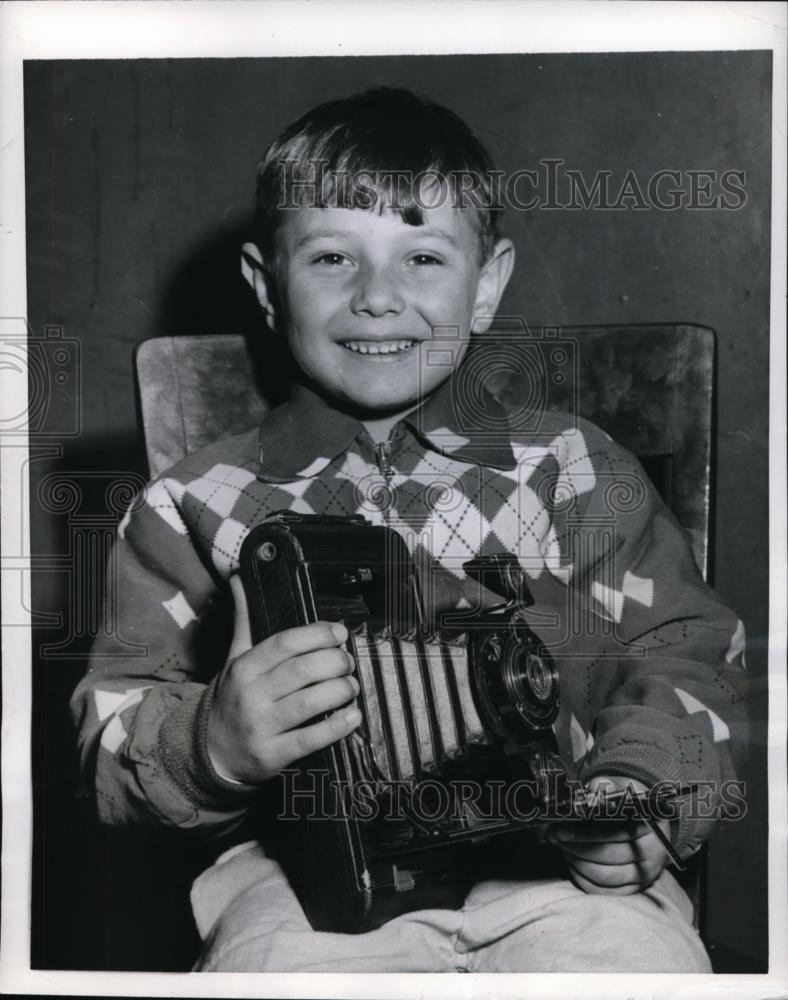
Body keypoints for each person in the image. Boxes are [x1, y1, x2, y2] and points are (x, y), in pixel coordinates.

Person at [70, 87, 748, 973]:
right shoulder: (195, 504)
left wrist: (640, 789)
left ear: (487, 284)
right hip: (304, 884)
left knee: (631, 964)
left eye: (423, 256)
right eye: (330, 259)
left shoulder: (572, 470)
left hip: (562, 874)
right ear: (264, 286)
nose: (378, 298)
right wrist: (215, 744)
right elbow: (111, 734)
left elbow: (686, 651)